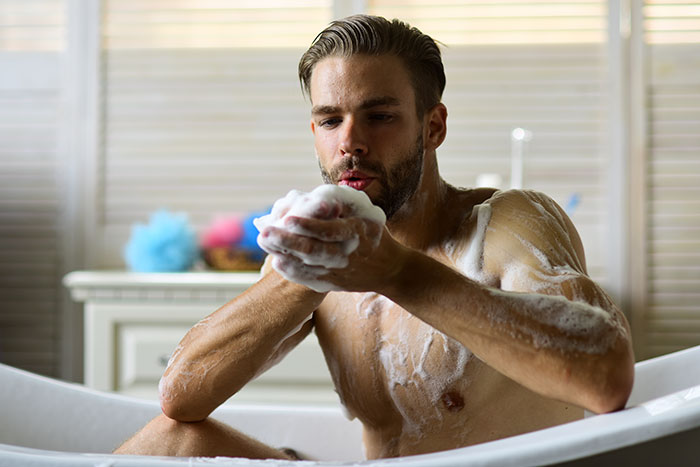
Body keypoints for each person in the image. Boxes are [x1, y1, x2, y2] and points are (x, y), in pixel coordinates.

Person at [115, 15, 634, 460]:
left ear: (433, 127)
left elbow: (605, 377)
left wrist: (397, 271)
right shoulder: (317, 247)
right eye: (330, 119)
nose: (351, 142)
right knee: (171, 440)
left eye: (379, 116)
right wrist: (303, 279)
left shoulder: (507, 223)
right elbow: (181, 398)